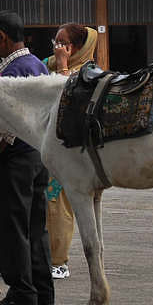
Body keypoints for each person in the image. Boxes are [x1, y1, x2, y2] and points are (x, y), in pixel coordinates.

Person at [0, 11, 53, 305]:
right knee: (36, 225)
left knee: (13, 226)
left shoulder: (10, 73)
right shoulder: (39, 65)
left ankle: (22, 291)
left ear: (2, 36)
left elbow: (8, 123)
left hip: (17, 157)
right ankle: (43, 290)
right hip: (40, 154)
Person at [44, 23, 99, 281]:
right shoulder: (48, 66)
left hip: (72, 154)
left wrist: (63, 65)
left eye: (62, 42)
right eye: (55, 41)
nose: (56, 47)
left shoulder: (86, 72)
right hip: (49, 150)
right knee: (43, 205)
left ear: (74, 47)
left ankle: (58, 260)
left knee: (58, 205)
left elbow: (66, 100)